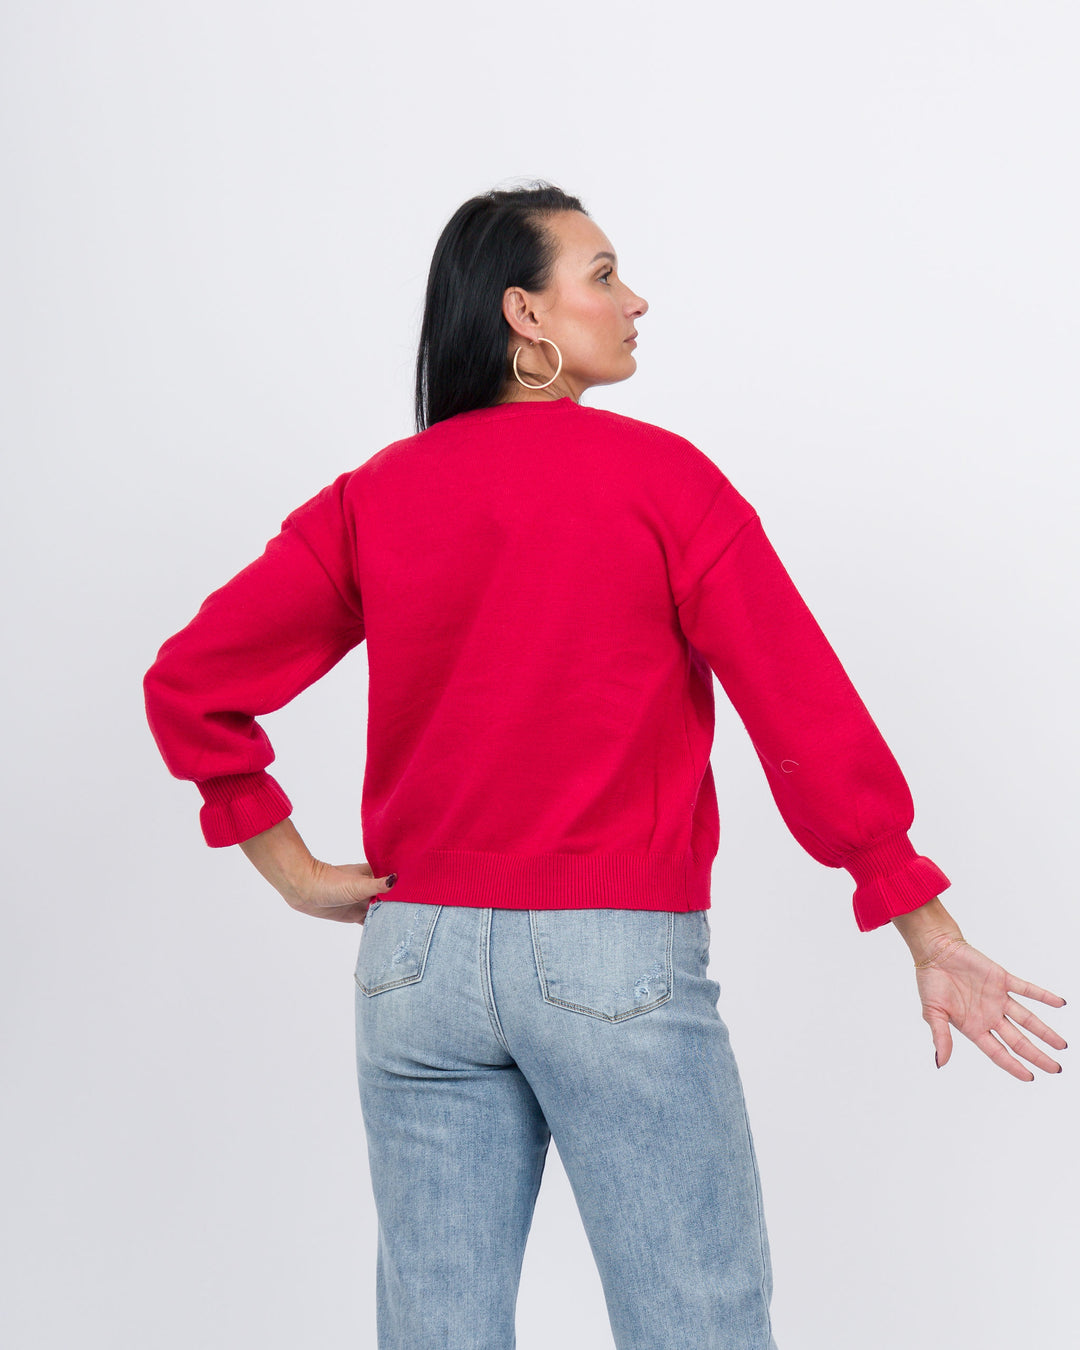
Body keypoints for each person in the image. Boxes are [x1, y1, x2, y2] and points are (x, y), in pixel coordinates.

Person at [142, 182, 1068, 1350]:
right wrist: (920, 920)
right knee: (697, 1321)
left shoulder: (375, 498)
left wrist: (286, 864)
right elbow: (803, 706)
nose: (635, 301)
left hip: (412, 960)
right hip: (608, 955)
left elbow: (191, 680)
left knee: (435, 1330)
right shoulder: (665, 482)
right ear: (525, 315)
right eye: (603, 275)